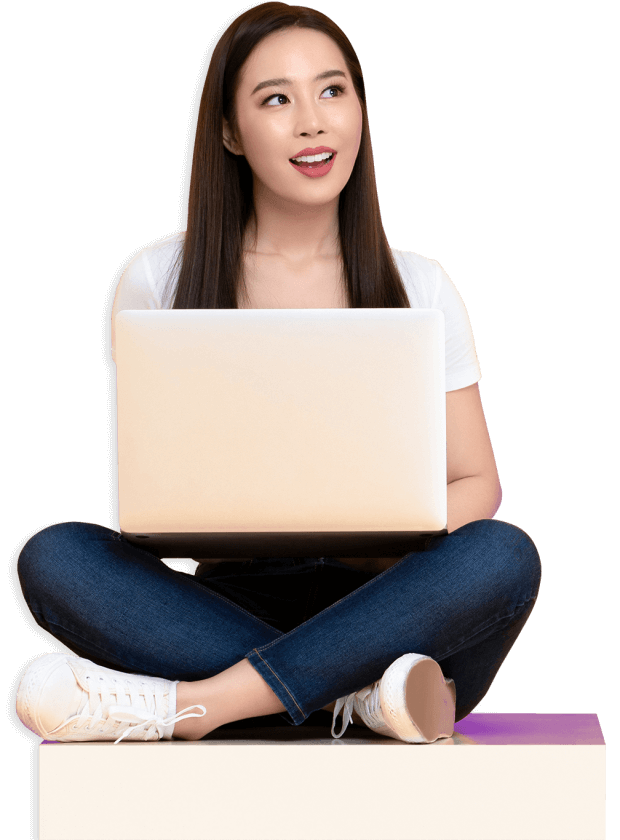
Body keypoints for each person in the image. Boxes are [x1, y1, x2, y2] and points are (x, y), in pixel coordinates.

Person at [15, 2, 541, 746]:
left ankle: (205, 707)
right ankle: (355, 701)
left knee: (502, 554)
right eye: (275, 99)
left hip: (394, 601)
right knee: (58, 557)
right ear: (229, 131)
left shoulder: (421, 283)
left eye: (332, 91)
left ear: (360, 108)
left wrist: (392, 540)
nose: (312, 122)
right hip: (222, 599)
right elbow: (155, 497)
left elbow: (476, 483)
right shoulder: (158, 278)